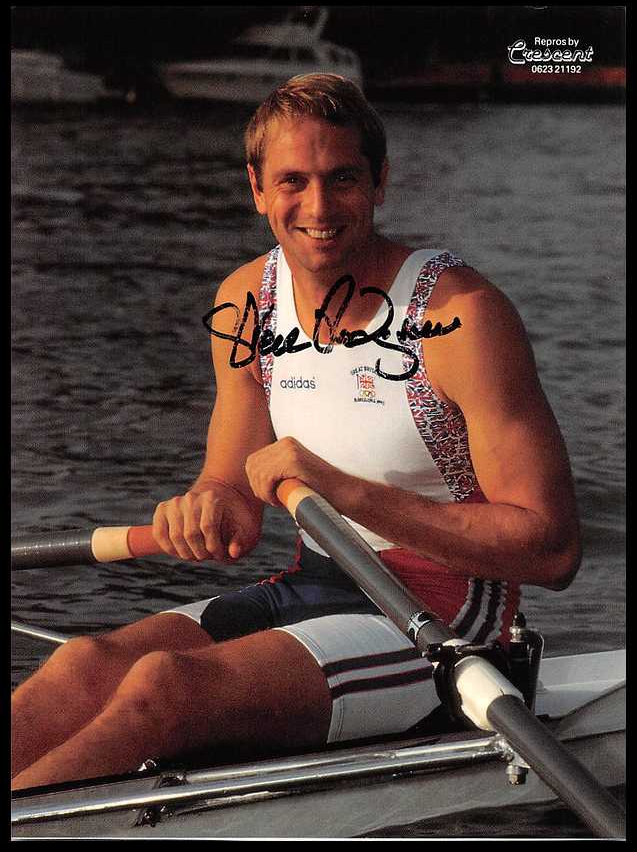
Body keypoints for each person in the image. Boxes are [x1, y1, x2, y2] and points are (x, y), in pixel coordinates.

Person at [11, 73, 581, 791]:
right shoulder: (246, 301)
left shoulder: (460, 315)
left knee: (165, 686)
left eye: (342, 178)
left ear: (379, 181)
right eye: (292, 181)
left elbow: (552, 548)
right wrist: (207, 507)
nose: (318, 207)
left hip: (445, 616)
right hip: (311, 584)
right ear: (257, 189)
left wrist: (343, 490)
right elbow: (232, 495)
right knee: (83, 664)